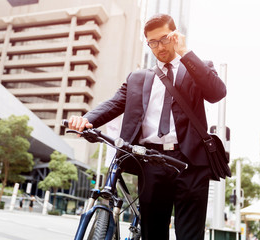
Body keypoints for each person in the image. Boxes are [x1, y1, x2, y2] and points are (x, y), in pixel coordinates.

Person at [68, 13, 226, 240]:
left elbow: (217, 92)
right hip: (150, 161)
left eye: (164, 39)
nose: (159, 46)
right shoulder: (138, 78)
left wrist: (185, 52)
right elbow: (114, 103)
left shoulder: (195, 67)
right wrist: (87, 119)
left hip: (190, 162)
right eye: (153, 42)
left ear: (175, 36)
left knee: (190, 236)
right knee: (152, 233)